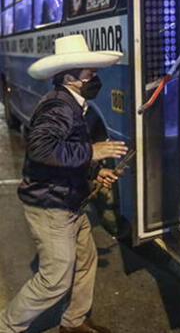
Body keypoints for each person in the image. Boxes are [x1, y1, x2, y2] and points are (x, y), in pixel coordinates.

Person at [0, 35, 127, 333]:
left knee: (85, 260)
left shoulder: (72, 103)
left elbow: (64, 156)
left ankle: (74, 322)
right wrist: (93, 152)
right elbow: (42, 150)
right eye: (89, 74)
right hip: (50, 206)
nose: (95, 78)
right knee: (55, 279)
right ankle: (8, 326)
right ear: (70, 77)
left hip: (68, 200)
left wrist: (94, 174)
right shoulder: (58, 107)